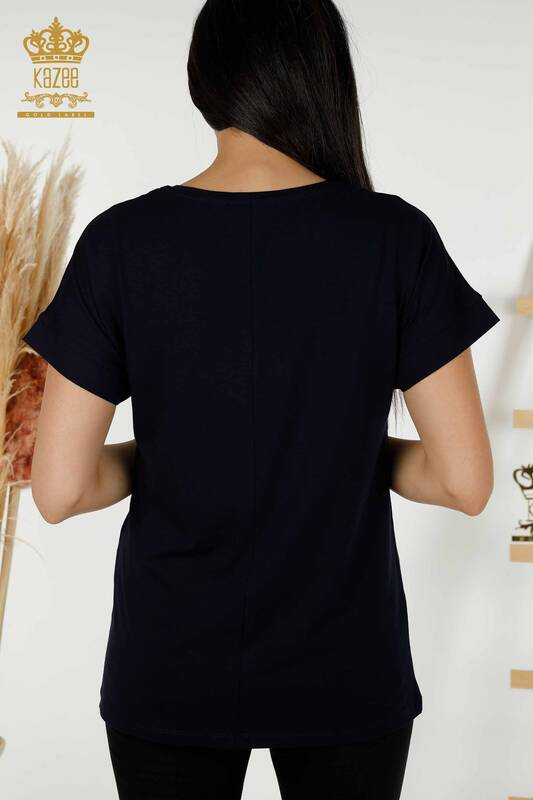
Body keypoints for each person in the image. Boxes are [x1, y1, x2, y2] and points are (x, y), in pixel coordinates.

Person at [21, 1, 501, 798]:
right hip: (347, 666)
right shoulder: (393, 238)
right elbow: (464, 481)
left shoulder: (120, 242)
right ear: (322, 74)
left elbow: (61, 489)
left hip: (169, 664)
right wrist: (341, 446)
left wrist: (168, 451)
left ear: (203, 80)